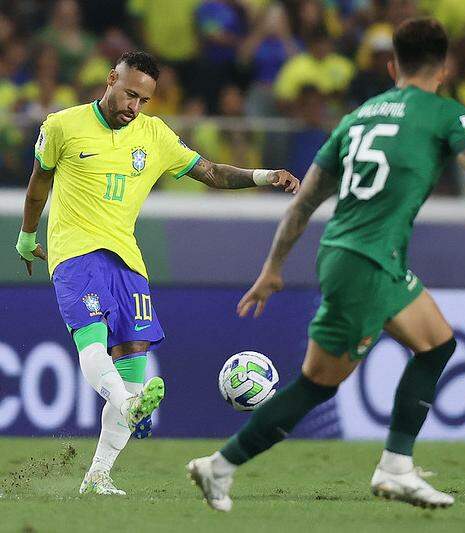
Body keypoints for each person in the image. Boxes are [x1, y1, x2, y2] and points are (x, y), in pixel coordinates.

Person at [187, 17, 465, 512]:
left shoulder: (358, 117)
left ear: (390, 65)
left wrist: (273, 267)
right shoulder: (447, 113)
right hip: (367, 262)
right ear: (443, 69)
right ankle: (220, 467)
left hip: (354, 254)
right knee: (316, 384)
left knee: (438, 344)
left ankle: (396, 466)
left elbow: (303, 203)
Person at [15, 51, 299, 496]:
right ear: (111, 80)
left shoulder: (155, 135)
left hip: (128, 262)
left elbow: (211, 172)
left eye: (143, 101)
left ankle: (98, 475)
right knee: (92, 344)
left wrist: (265, 176)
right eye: (129, 94)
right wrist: (27, 235)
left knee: (132, 366)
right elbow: (38, 183)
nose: (134, 107)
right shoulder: (62, 126)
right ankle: (130, 404)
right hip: (75, 253)